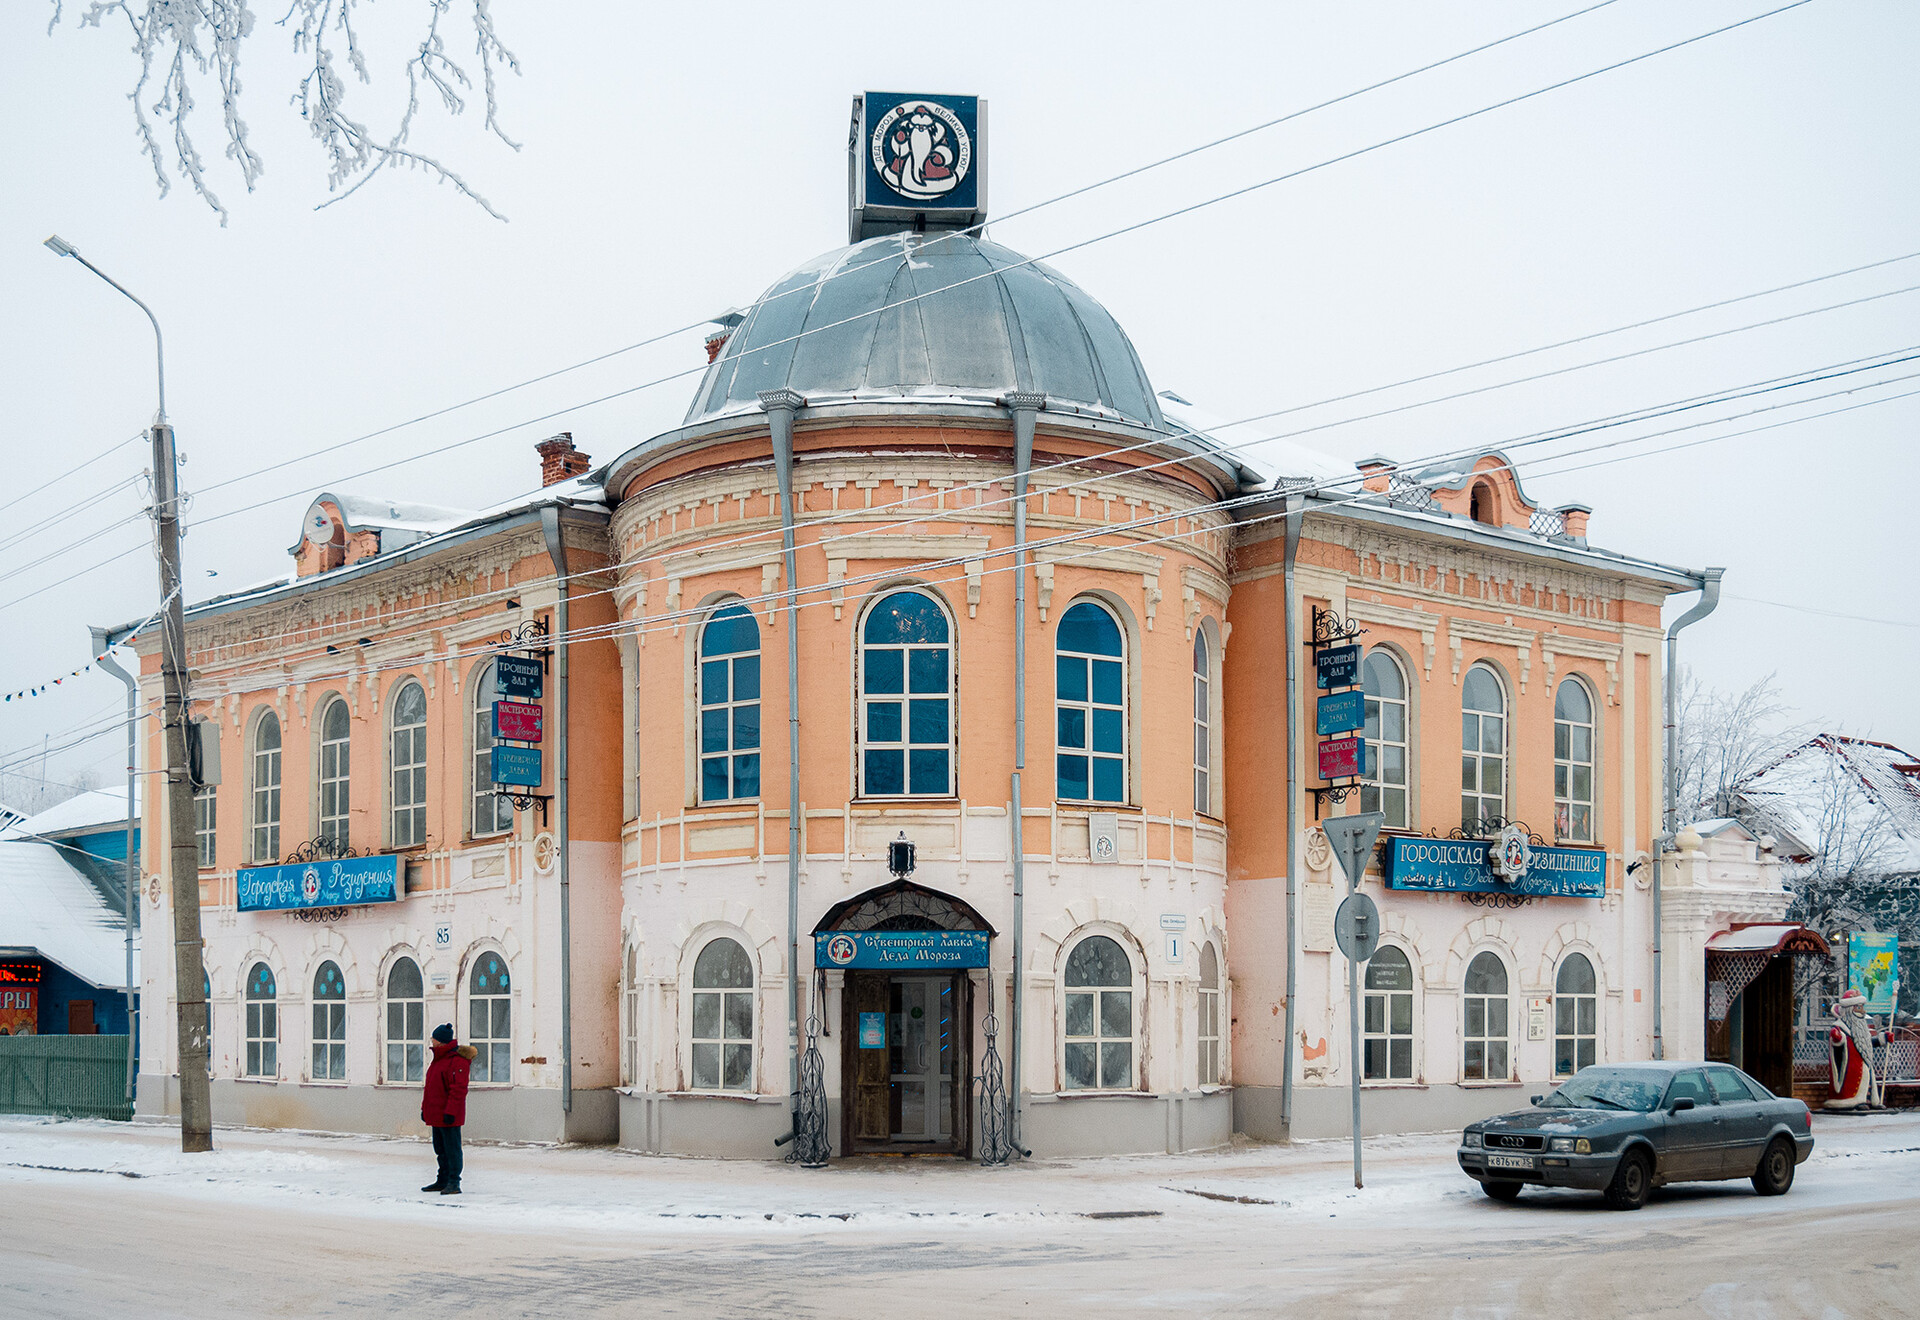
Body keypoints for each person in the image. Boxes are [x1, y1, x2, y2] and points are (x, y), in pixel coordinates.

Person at [421, 1023, 475, 1194]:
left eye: (434, 1038)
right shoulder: (438, 1059)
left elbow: (458, 1089)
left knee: (452, 1150)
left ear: (441, 1041)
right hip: (436, 1113)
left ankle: (454, 1182)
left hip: (448, 1114)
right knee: (440, 1149)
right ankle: (442, 1179)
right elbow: (430, 1088)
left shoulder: (457, 1061)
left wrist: (450, 1112)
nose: (432, 1041)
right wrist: (425, 1109)